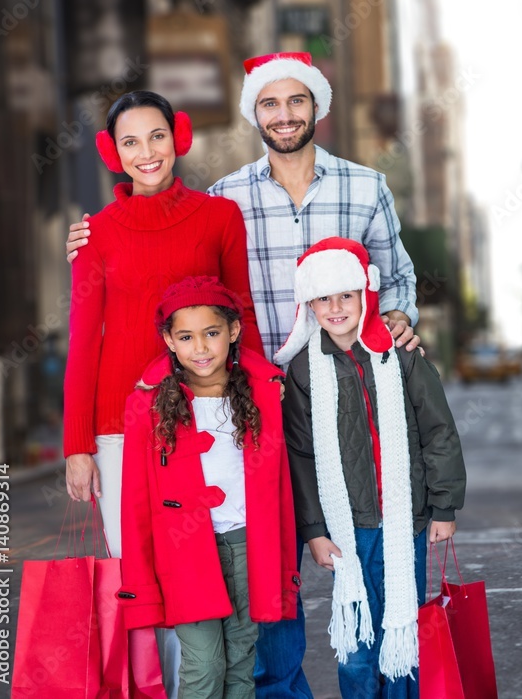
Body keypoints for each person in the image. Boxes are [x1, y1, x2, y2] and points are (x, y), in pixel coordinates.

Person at [67, 52, 423, 697]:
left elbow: (383, 280)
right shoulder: (208, 201)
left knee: (330, 552)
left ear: (318, 107)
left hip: (308, 397)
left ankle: (371, 681)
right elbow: (106, 335)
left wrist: (395, 318)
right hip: (191, 410)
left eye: (296, 102)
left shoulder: (351, 189)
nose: (283, 114)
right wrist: (79, 445)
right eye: (269, 103)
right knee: (209, 564)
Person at [278, 238, 466, 698]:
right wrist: (314, 530)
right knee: (358, 641)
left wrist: (444, 507)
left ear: (366, 294)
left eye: (346, 294)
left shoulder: (400, 355)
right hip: (347, 530)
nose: (336, 307)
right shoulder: (303, 371)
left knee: (403, 630)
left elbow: (438, 431)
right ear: (310, 305)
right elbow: (300, 456)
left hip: (407, 521)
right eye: (324, 298)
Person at [118, 276, 300, 698]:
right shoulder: (147, 407)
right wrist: (141, 579)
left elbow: (282, 490)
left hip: (246, 546)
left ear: (233, 332)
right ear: (169, 340)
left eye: (212, 333)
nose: (200, 348)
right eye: (186, 337)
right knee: (204, 664)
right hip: (184, 553)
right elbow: (137, 503)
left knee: (241, 659)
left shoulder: (262, 396)